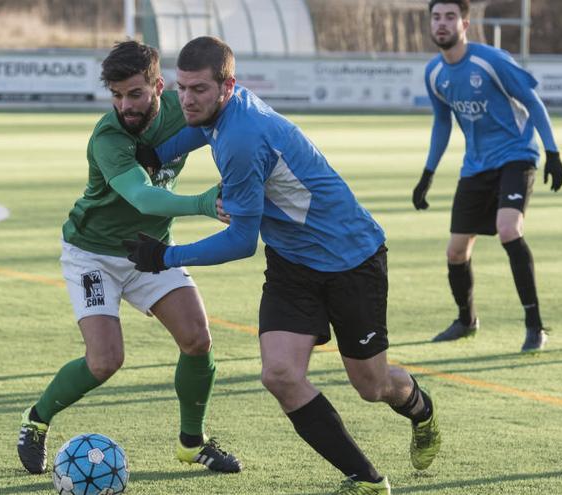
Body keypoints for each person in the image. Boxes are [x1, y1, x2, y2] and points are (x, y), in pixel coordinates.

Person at [125, 36, 440, 495]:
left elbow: (239, 241)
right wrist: (160, 152)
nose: (187, 100)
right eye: (182, 88)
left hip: (351, 258)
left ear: (227, 86)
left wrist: (165, 257)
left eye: (199, 90)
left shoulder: (242, 139)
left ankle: (420, 408)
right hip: (293, 264)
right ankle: (368, 480)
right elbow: (199, 127)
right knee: (279, 375)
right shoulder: (224, 111)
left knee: (372, 386)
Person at [16, 40, 242, 476]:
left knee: (197, 338)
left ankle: (192, 443)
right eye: (116, 96)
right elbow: (140, 196)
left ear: (160, 85)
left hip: (149, 250)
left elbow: (235, 105)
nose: (125, 105)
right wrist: (203, 203)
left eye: (135, 94)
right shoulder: (109, 135)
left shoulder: (186, 106)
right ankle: (37, 419)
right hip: (93, 255)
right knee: (105, 361)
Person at [412, 0, 562, 352]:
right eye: (436, 17)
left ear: (464, 23)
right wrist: (427, 174)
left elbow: (532, 101)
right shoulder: (434, 73)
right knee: (455, 252)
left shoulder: (491, 61)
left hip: (516, 155)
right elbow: (441, 123)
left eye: (450, 17)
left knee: (509, 230)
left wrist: (553, 152)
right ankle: (466, 321)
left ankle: (535, 326)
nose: (442, 24)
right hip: (476, 166)